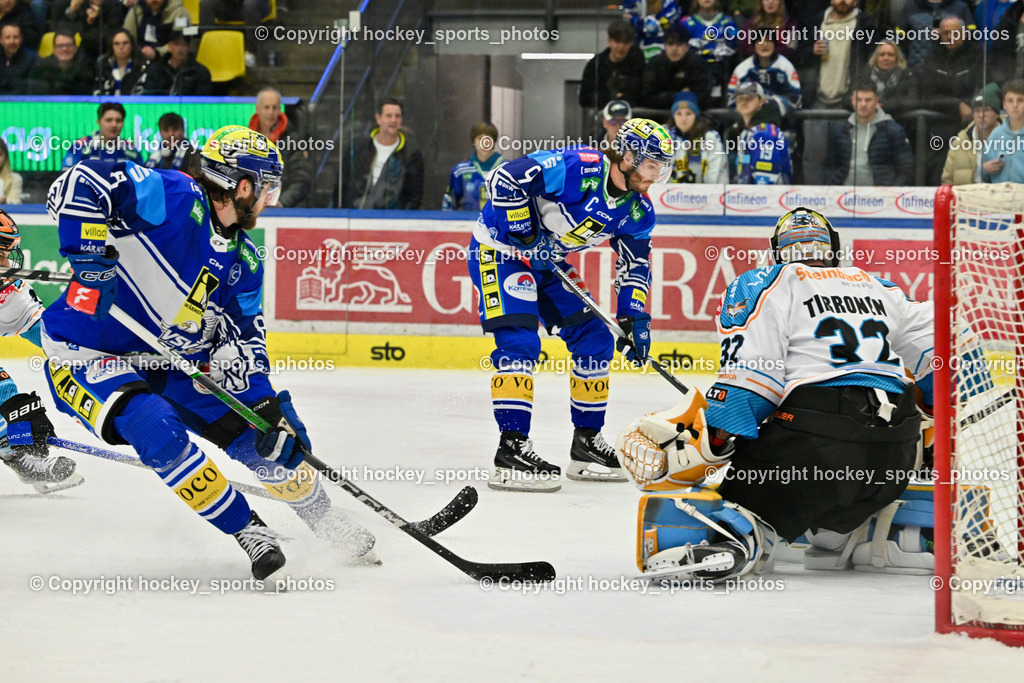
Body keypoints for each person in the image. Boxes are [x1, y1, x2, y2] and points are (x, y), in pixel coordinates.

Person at [42, 125, 376, 579]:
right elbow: (80, 182)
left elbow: (246, 344)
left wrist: (268, 409)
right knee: (156, 429)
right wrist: (86, 255)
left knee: (262, 437)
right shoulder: (175, 197)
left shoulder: (245, 262)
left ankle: (324, 518)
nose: (269, 202)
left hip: (172, 361)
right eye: (268, 190)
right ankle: (248, 531)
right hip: (84, 353)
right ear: (243, 186)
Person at [616, 207, 933, 581]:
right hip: (895, 457)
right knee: (846, 466)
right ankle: (838, 535)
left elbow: (749, 385)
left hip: (816, 449)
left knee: (741, 492)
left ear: (778, 252)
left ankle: (739, 538)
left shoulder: (765, 282)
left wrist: (711, 440)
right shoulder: (881, 287)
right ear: (833, 249)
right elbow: (939, 362)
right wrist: (927, 446)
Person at [466, 118, 673, 492]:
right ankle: (511, 449)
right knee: (521, 342)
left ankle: (586, 444)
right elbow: (504, 180)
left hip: (547, 263)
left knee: (596, 337)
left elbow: (636, 264)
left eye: (662, 167)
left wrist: (634, 319)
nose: (657, 174)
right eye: (652, 164)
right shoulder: (581, 166)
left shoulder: (639, 212)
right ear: (627, 156)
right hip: (500, 251)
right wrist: (526, 233)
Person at [0, 209, 84, 493]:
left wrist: (91, 351)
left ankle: (18, 451)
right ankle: (14, 449)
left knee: (13, 405)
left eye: (8, 254)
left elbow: (50, 336)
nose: (7, 263)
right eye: (1, 254)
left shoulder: (10, 293)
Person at [796, 0, 877, 184]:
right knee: (813, 158)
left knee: (843, 158)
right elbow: (798, 56)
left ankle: (840, 204)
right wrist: (811, 51)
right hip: (817, 99)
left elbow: (870, 61)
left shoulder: (865, 23)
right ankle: (814, 202)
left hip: (847, 101)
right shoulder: (816, 21)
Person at [823, 80, 914, 186]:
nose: (863, 104)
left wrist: (891, 192)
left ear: (876, 101)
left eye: (868, 100)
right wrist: (833, 187)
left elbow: (906, 168)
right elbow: (829, 166)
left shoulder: (893, 130)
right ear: (852, 100)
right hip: (844, 196)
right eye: (858, 99)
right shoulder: (841, 130)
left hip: (881, 197)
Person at [342, 97, 424, 210]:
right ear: (378, 119)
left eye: (397, 116)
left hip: (392, 223)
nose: (393, 120)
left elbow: (414, 197)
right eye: (389, 116)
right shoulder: (358, 149)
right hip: (357, 220)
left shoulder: (411, 155)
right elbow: (342, 186)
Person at [247, 86, 312, 208]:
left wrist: (281, 202)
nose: (271, 112)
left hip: (283, 211)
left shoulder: (292, 140)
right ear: (257, 109)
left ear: (280, 110)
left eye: (275, 107)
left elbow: (302, 179)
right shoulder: (245, 140)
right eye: (266, 107)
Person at [727, 29, 802, 120]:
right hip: (747, 119)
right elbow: (730, 98)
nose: (764, 44)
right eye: (759, 41)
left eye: (769, 41)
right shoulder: (742, 69)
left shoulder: (785, 66)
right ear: (754, 45)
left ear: (775, 45)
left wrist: (771, 104)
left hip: (780, 121)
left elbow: (796, 99)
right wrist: (750, 105)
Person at [727, 81, 792, 184]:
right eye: (740, 98)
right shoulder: (747, 131)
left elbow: (764, 181)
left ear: (761, 102)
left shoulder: (764, 132)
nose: (744, 102)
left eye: (749, 98)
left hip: (764, 197)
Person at [578, 19, 645, 113]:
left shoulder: (637, 61)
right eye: (617, 42)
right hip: (605, 115)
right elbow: (584, 98)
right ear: (609, 41)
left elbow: (641, 92)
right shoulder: (596, 64)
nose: (621, 47)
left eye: (625, 43)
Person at [641, 24, 713, 111]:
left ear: (687, 47)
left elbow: (703, 99)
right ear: (665, 46)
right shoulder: (654, 64)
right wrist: (679, 95)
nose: (674, 48)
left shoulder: (698, 65)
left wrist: (664, 96)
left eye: (679, 44)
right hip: (658, 117)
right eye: (670, 44)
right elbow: (646, 98)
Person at [943, 83, 1002, 185]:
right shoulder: (960, 141)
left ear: (997, 113)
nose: (981, 115)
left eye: (986, 110)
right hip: (967, 199)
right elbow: (947, 181)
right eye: (976, 111)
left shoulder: (1013, 138)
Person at [681, 0, 738, 104]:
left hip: (721, 72)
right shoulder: (686, 22)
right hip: (694, 74)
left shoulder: (728, 22)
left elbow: (732, 46)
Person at [442, 120, 505, 212]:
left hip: (498, 225)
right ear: (473, 142)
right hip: (467, 225)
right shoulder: (460, 171)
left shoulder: (507, 169)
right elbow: (448, 204)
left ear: (494, 141)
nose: (485, 143)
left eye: (489, 138)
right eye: (480, 138)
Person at [666, 90, 728, 184]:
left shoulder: (709, 138)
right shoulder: (663, 136)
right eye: (679, 113)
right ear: (673, 116)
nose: (683, 119)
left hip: (703, 196)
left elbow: (717, 176)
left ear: (696, 116)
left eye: (688, 113)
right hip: (668, 195)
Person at [62, 101, 143, 168]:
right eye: (109, 120)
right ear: (98, 122)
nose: (114, 125)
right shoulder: (80, 147)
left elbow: (142, 181)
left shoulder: (131, 149)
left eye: (118, 120)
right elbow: (66, 178)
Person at [898, 0, 975, 71]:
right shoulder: (910, 7)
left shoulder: (960, 7)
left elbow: (972, 37)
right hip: (916, 68)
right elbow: (897, 39)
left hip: (950, 69)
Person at [135, 29, 210, 96]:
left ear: (189, 47)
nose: (180, 49)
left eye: (184, 44)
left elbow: (202, 101)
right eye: (176, 44)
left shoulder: (200, 72)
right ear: (169, 47)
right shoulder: (156, 69)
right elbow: (148, 95)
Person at [199, 0, 270, 67]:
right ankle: (210, 50)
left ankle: (251, 51)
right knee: (206, 4)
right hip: (229, 5)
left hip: (255, 5)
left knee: (250, 5)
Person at [49, 0, 124, 62]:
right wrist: (71, 12)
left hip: (106, 51)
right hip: (84, 50)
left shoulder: (113, 6)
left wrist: (91, 23)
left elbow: (110, 36)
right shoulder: (82, 5)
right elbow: (63, 32)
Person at [981, 80, 1024, 183]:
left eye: (1020, 100)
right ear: (1004, 105)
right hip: (999, 196)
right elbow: (983, 174)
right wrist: (985, 169)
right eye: (1010, 100)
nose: (1015, 105)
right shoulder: (996, 135)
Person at [28, 27, 93, 94]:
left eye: (68, 45)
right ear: (54, 49)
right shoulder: (41, 66)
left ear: (75, 48)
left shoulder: (86, 66)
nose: (64, 49)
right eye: (60, 45)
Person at [122, 0, 189, 62]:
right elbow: (126, 37)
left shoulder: (179, 12)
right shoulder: (136, 9)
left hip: (169, 59)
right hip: (139, 58)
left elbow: (180, 43)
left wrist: (157, 53)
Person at [864, 40, 918, 117]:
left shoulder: (908, 75)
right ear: (876, 58)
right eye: (882, 55)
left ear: (897, 58)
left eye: (890, 55)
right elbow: (849, 98)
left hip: (899, 121)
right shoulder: (866, 74)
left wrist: (881, 105)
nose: (886, 58)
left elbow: (913, 101)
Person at [92, 28, 147, 96]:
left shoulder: (142, 67)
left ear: (132, 45)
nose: (121, 47)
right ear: (112, 46)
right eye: (117, 44)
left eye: (125, 43)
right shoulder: (104, 66)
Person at [0, 22, 34, 94]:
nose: (12, 41)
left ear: (21, 39)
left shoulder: (31, 59)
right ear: (1, 40)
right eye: (7, 37)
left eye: (16, 37)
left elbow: (30, 90)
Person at [0, 138, 23, 203]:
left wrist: (5, 200)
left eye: (0, 154)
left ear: (5, 156)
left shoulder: (15, 179)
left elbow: (15, 204)